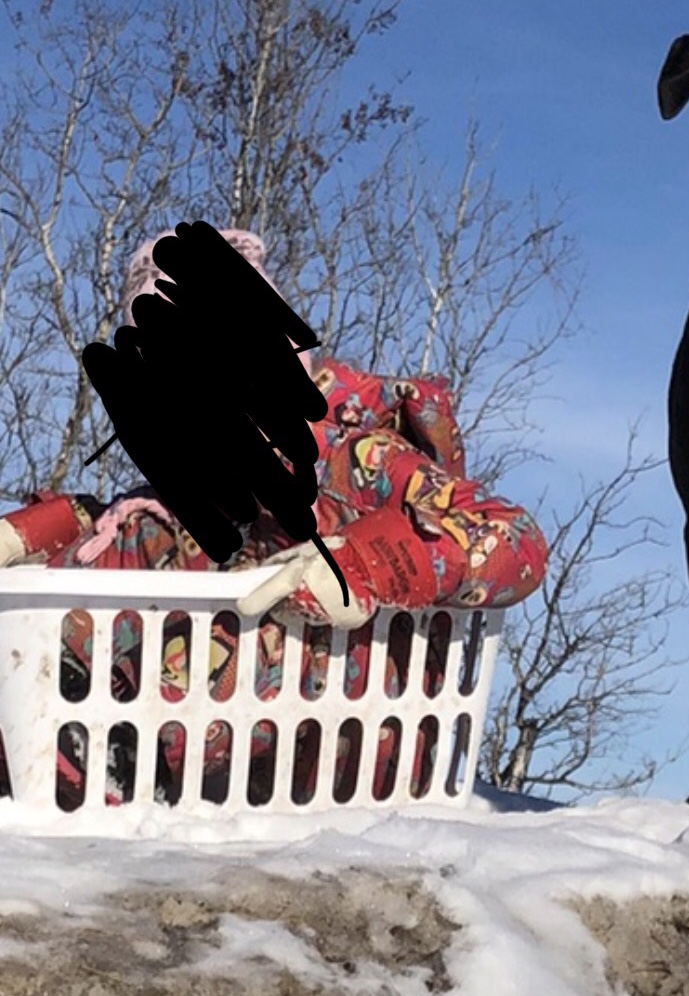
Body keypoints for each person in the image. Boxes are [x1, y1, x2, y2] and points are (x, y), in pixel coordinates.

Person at [0, 229, 547, 807]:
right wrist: (26, 535)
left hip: (351, 773)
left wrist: (365, 564)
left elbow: (514, 540)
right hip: (204, 785)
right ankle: (65, 747)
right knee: (135, 545)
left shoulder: (354, 461)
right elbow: (109, 524)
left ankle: (110, 759)